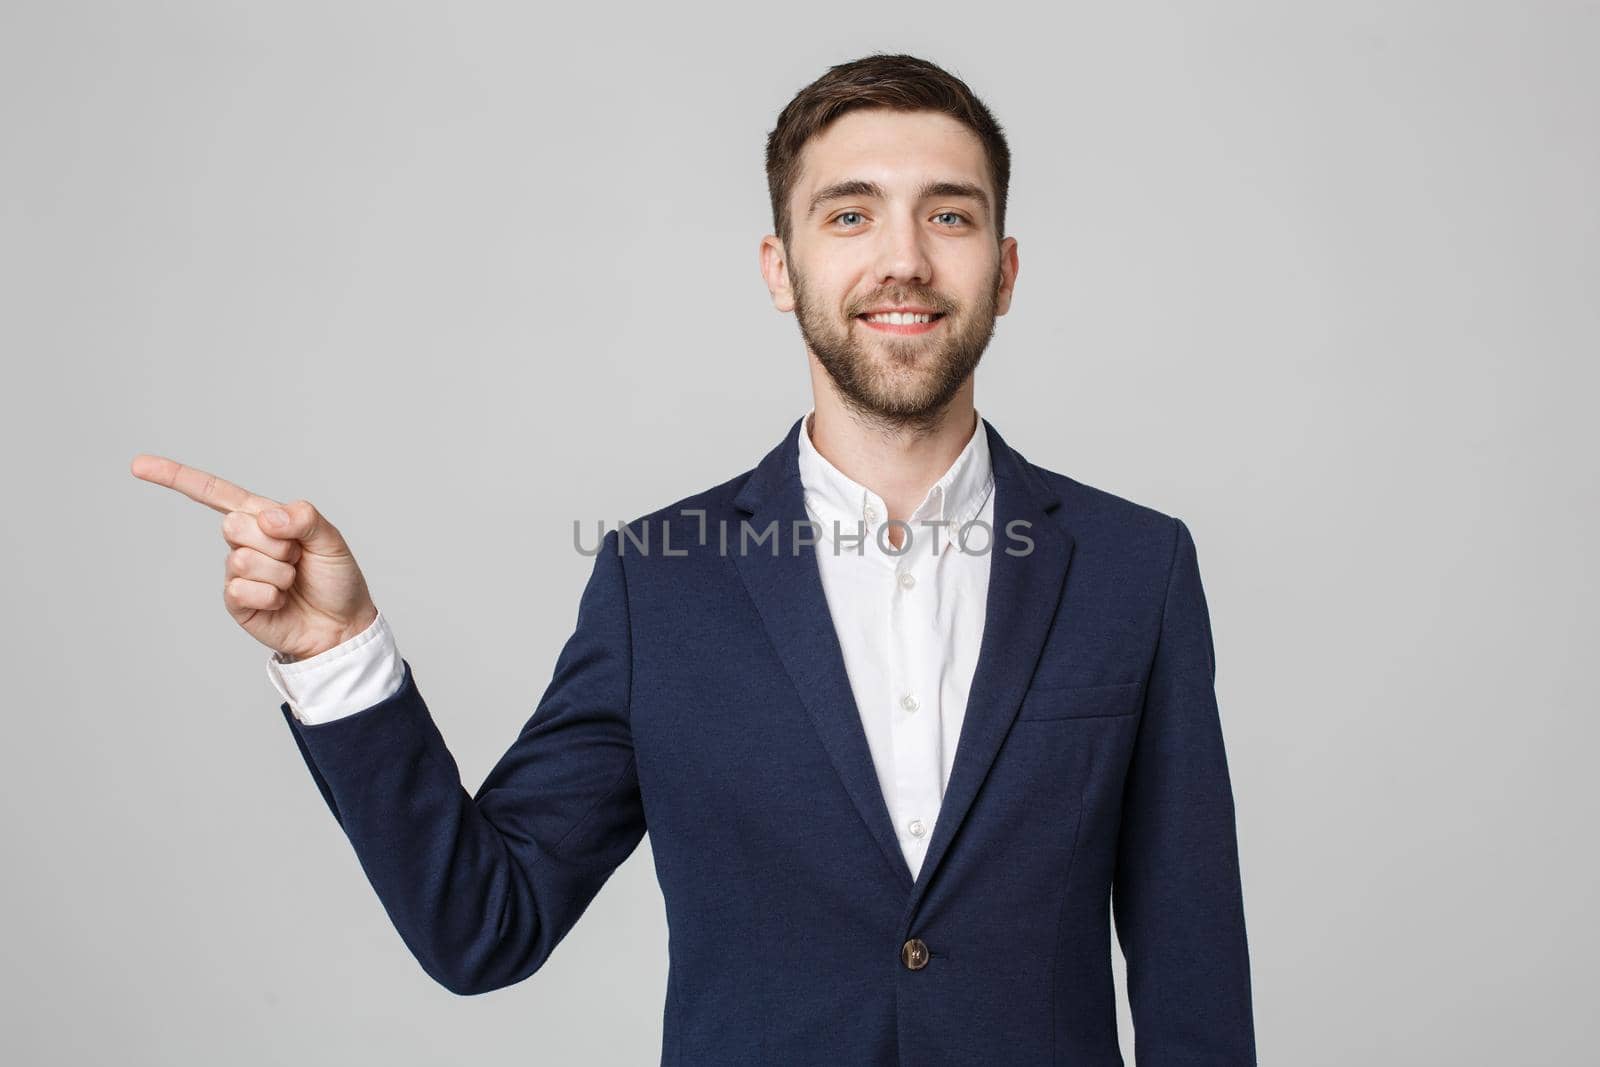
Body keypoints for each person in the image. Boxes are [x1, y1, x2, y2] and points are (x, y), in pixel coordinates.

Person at [132, 52, 1255, 1067]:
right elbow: (486, 923)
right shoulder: (658, 581)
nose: (903, 259)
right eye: (851, 214)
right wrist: (339, 655)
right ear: (781, 266)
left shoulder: (1133, 569)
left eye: (949, 217)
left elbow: (1194, 986)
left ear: (1004, 269)